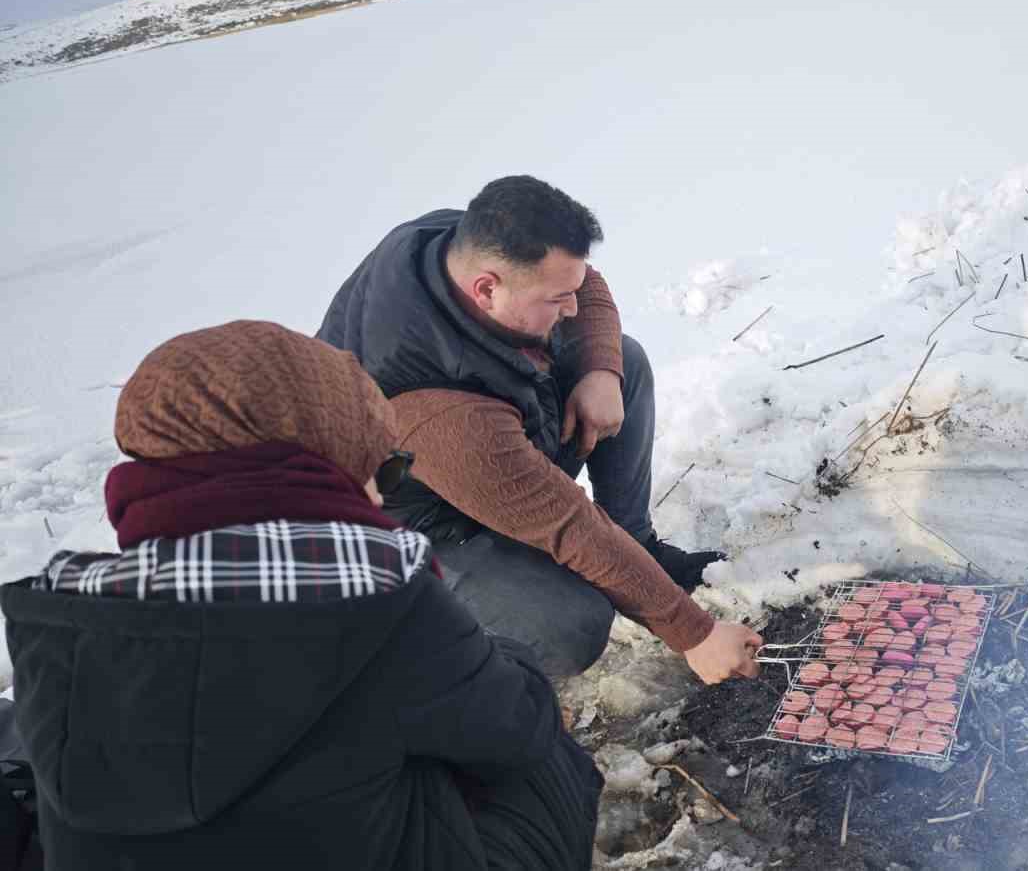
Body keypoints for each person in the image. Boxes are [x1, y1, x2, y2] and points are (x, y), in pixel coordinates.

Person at [1, 321, 601, 870]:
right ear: (320, 469)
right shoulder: (374, 599)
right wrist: (493, 655)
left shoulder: (63, 619)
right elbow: (517, 726)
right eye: (382, 473)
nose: (381, 497)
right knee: (551, 764)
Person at [317, 175, 762, 681]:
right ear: (487, 289)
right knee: (572, 625)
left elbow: (583, 283)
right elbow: (569, 525)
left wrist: (599, 367)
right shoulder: (437, 408)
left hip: (485, 453)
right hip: (409, 537)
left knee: (622, 361)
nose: (571, 307)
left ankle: (640, 549)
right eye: (556, 299)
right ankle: (457, 674)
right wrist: (696, 636)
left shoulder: (457, 243)